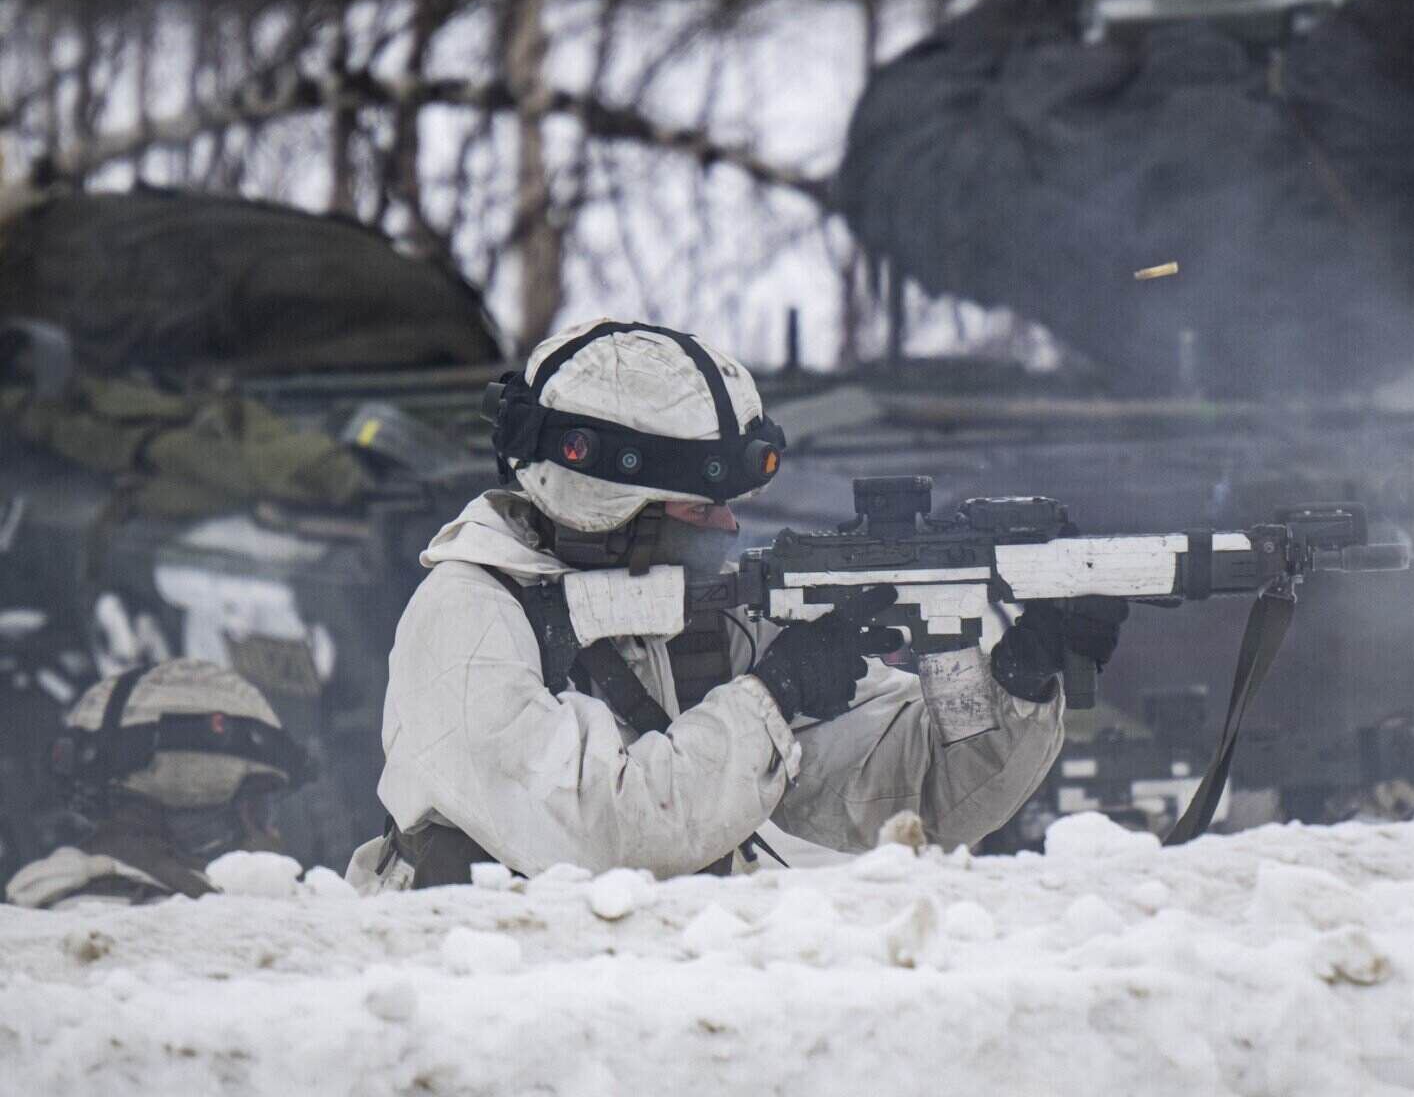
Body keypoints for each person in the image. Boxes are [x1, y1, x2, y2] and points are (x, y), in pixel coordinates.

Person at [349, 317, 1127, 889]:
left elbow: (919, 796)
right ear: (608, 503)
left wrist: (1014, 681)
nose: (727, 526)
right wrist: (773, 694)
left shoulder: (699, 618)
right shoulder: (467, 616)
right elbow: (604, 833)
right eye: (697, 510)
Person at [5, 659, 311, 910]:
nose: (273, 835)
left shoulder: (54, 904)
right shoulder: (139, 925)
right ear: (197, 792)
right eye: (262, 810)